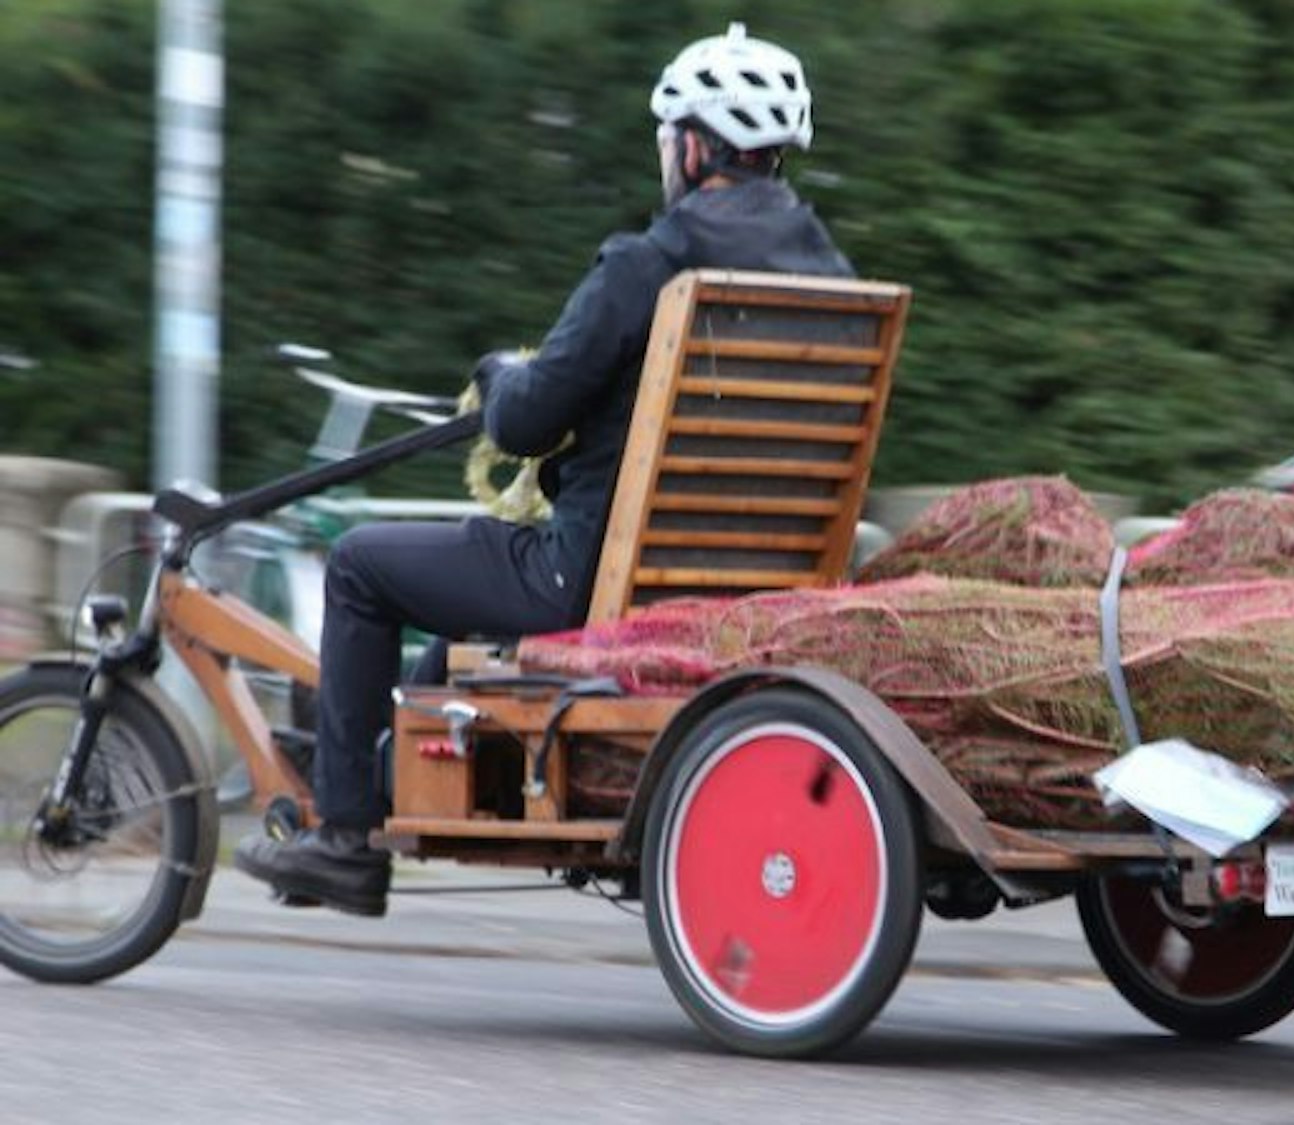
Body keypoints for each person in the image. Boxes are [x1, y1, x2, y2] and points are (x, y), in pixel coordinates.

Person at [235, 23, 853, 916]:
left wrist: (497, 372)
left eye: (667, 142)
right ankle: (400, 771)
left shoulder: (649, 262)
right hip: (752, 585)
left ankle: (342, 839)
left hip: (590, 582)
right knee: (451, 628)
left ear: (689, 145)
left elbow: (524, 423)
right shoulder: (833, 280)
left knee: (360, 564)